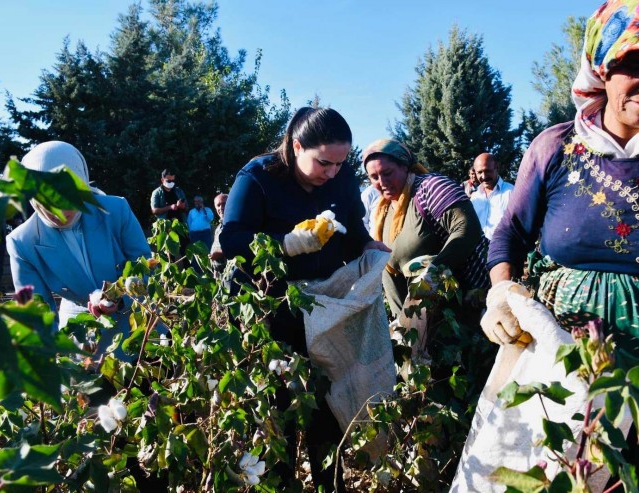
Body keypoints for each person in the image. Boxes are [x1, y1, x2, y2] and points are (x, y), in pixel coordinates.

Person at [485, 0, 639, 490]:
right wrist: (502, 290)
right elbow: (510, 234)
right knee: (569, 473)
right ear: (603, 66)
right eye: (635, 65)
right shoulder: (553, 149)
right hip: (567, 367)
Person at [219, 107, 389, 492]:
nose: (332, 172)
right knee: (278, 409)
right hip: (270, 311)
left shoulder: (340, 177)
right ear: (297, 146)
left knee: (324, 405)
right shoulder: (259, 178)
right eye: (324, 162)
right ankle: (281, 482)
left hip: (323, 305)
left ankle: (330, 483)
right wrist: (285, 244)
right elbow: (232, 240)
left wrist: (366, 244)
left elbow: (352, 225)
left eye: (340, 163)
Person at [6, 141, 151, 356]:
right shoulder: (22, 242)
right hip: (79, 325)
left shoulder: (116, 209)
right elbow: (37, 313)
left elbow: (145, 266)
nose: (62, 209)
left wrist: (118, 298)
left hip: (135, 316)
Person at [362, 138, 490, 320]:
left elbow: (467, 228)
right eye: (374, 177)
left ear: (405, 166)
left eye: (388, 173)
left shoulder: (431, 187)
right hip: (417, 326)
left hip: (456, 316)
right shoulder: (383, 210)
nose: (382, 182)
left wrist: (434, 274)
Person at [470, 153, 514, 242]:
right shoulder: (474, 197)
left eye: (487, 171)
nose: (484, 176)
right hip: (478, 251)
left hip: (503, 251)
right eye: (479, 172)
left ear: (497, 167)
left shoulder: (511, 192)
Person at [208, 193, 228, 274]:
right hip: (220, 274)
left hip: (230, 274)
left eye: (224, 204)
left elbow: (237, 246)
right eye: (218, 205)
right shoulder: (219, 227)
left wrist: (220, 253)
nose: (221, 207)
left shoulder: (235, 224)